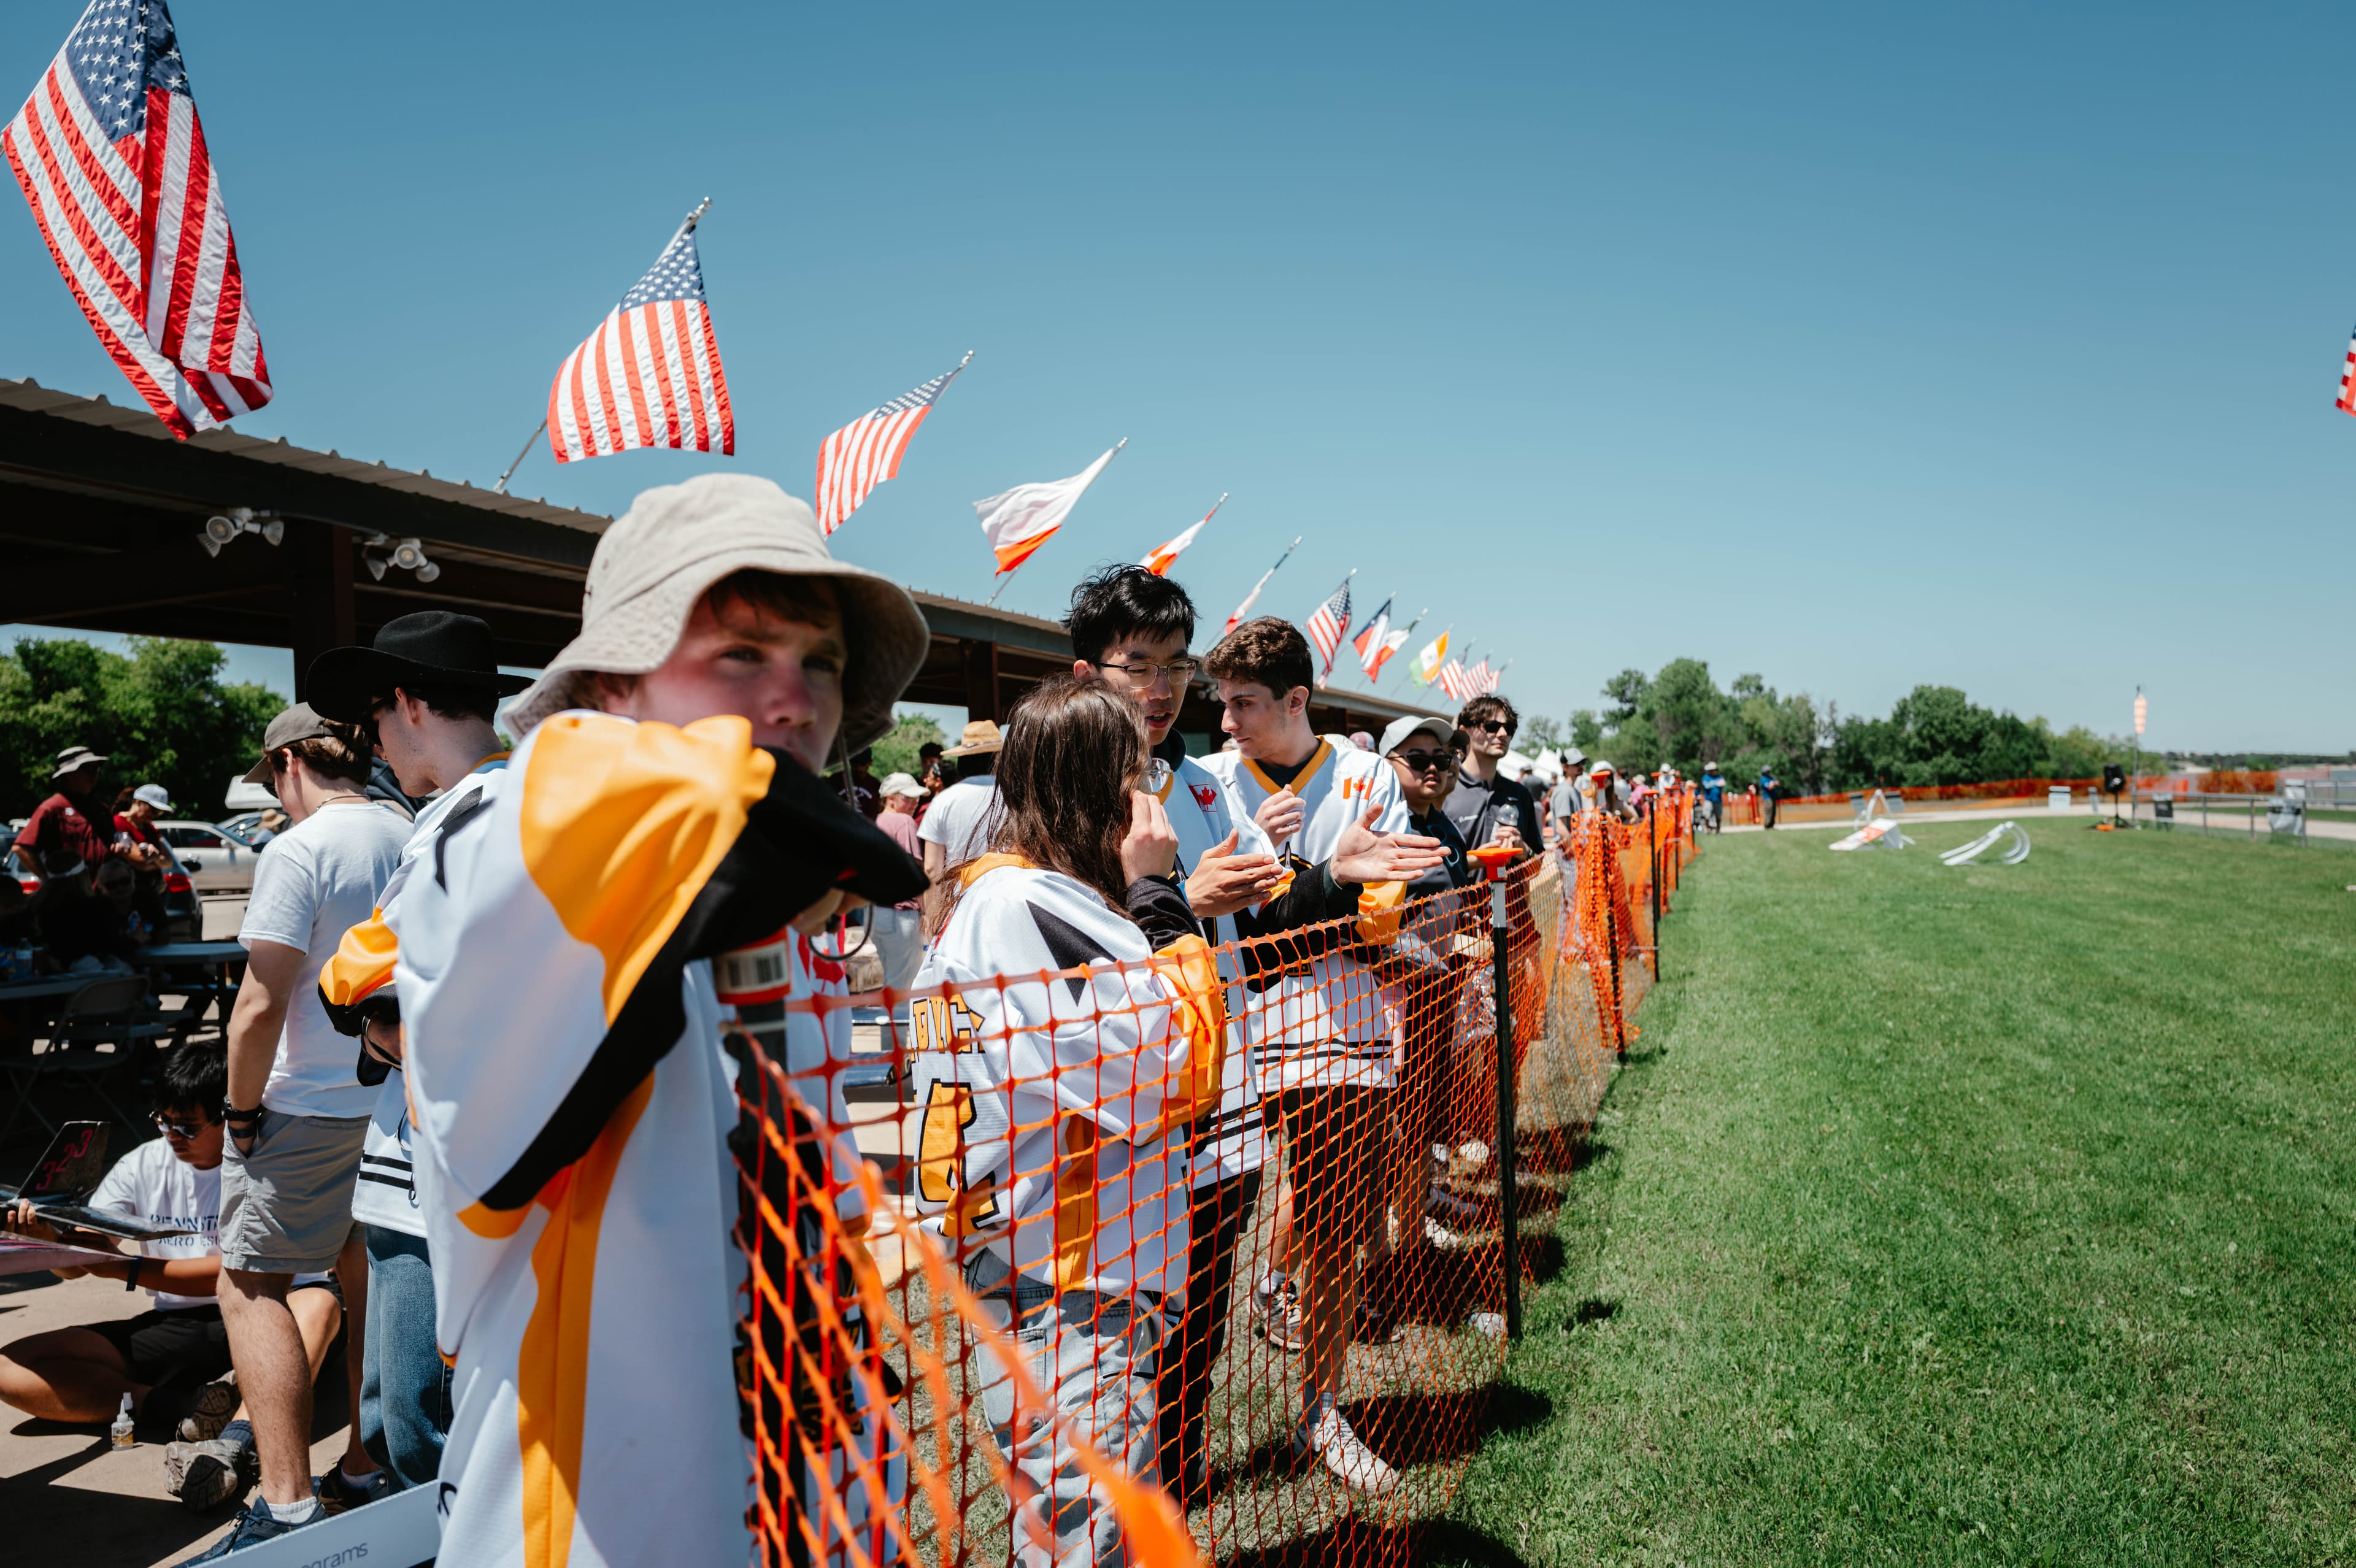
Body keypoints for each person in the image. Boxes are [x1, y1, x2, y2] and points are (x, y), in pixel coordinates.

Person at [374, 474, 928, 1567]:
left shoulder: (753, 897)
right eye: (742, 653)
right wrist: (728, 807)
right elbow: (551, 814)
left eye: (822, 661)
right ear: (614, 684)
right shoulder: (507, 833)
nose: (797, 696)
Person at [909, 673, 1226, 1566]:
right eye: (1139, 772)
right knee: (1088, 1539)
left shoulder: (1012, 895)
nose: (1151, 794)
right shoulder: (1026, 903)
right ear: (1096, 786)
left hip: (1049, 1267)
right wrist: (1161, 895)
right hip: (1065, 1282)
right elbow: (1180, 1067)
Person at [1198, 618, 1446, 1494]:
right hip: (1226, 1029)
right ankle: (1177, 1441)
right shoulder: (1209, 780)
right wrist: (1310, 883)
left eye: (1244, 703)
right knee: (1200, 1245)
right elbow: (1212, 911)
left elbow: (1378, 916)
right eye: (1222, 702)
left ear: (1296, 699)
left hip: (1339, 1023)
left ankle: (1321, 1409)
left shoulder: (1364, 774)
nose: (1226, 721)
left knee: (1339, 1227)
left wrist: (1305, 891)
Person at [1064, 563, 1285, 1511]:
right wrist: (1176, 902)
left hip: (1219, 1098)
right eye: (1138, 664)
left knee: (1202, 1310)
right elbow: (1051, 953)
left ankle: (1179, 1486)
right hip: (1118, 1121)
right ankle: (1116, 1509)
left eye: (1176, 665)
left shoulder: (1204, 787)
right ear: (1087, 674)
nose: (1161, 688)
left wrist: (1327, 878)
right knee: (1115, 1335)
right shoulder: (1059, 793)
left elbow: (1266, 917)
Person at [306, 610, 534, 1499]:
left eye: (373, 720)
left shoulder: (470, 817)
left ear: (406, 703)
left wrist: (370, 1011)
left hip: (437, 1171)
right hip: (450, 1159)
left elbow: (370, 985)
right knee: (410, 1420)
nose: (373, 746)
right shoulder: (508, 802)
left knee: (419, 1434)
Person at [188, 705, 407, 1558]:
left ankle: (285, 1509)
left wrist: (240, 1112)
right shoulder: (409, 831)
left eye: (273, 781)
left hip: (302, 1109)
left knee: (249, 1288)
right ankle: (365, 1466)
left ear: (288, 764)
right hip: (387, 1103)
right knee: (369, 1288)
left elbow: (258, 1004)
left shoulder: (300, 848)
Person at [0, 1042, 344, 1476]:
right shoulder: (141, 1164)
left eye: (187, 1126)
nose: (172, 1135)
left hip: (269, 1305)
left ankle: (238, 1440)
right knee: (9, 1367)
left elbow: (235, 1273)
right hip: (180, 1323)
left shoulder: (266, 1163)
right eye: (163, 1121)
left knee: (320, 1303)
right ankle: (182, 1408)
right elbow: (76, 1263)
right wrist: (50, 1241)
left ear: (229, 1115)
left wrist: (124, 1268)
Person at [1375, 715, 1480, 1253]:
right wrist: (1423, 963)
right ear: (1387, 764)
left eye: (1442, 759)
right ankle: (1377, 1248)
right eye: (1418, 759)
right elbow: (1367, 929)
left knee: (1420, 1124)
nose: (1434, 768)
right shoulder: (1380, 829)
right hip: (1389, 1003)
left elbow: (1450, 904)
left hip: (1436, 999)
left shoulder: (1443, 827)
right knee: (1386, 1130)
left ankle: (1413, 1237)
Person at [918, 718, 1004, 928]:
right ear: (998, 757)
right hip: (1009, 901)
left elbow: (931, 868)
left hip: (959, 905)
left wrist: (932, 918)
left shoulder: (943, 801)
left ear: (962, 760)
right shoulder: (1016, 796)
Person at [1446, 695, 1542, 863]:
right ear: (1465, 731)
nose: (1503, 734)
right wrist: (1474, 861)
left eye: (1509, 728)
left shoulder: (1520, 794)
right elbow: (1430, 869)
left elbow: (1539, 864)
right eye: (1492, 726)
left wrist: (1524, 851)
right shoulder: (1444, 790)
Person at [868, 772, 930, 999]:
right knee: (904, 990)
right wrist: (927, 912)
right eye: (908, 798)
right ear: (891, 798)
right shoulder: (904, 822)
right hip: (900, 915)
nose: (914, 803)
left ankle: (891, 1024)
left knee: (891, 984)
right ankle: (896, 1025)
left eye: (916, 798)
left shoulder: (873, 822)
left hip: (874, 915)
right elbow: (916, 873)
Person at [1701, 761, 1727, 834]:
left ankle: (1718, 830)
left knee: (1718, 816)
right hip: (1709, 800)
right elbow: (1706, 786)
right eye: (1711, 770)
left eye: (1714, 770)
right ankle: (1707, 830)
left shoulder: (1720, 777)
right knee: (1707, 815)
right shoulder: (1706, 777)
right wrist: (1716, 783)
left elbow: (1723, 783)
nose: (1712, 771)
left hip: (1718, 800)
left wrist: (1712, 783)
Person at [1759, 764, 1780, 829]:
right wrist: (1774, 784)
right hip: (1767, 797)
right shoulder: (1763, 779)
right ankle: (1767, 825)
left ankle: (1772, 825)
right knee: (1769, 809)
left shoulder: (1771, 778)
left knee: (1773, 811)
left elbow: (1778, 783)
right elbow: (1769, 788)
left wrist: (1774, 784)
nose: (1769, 772)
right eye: (1767, 771)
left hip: (1773, 796)